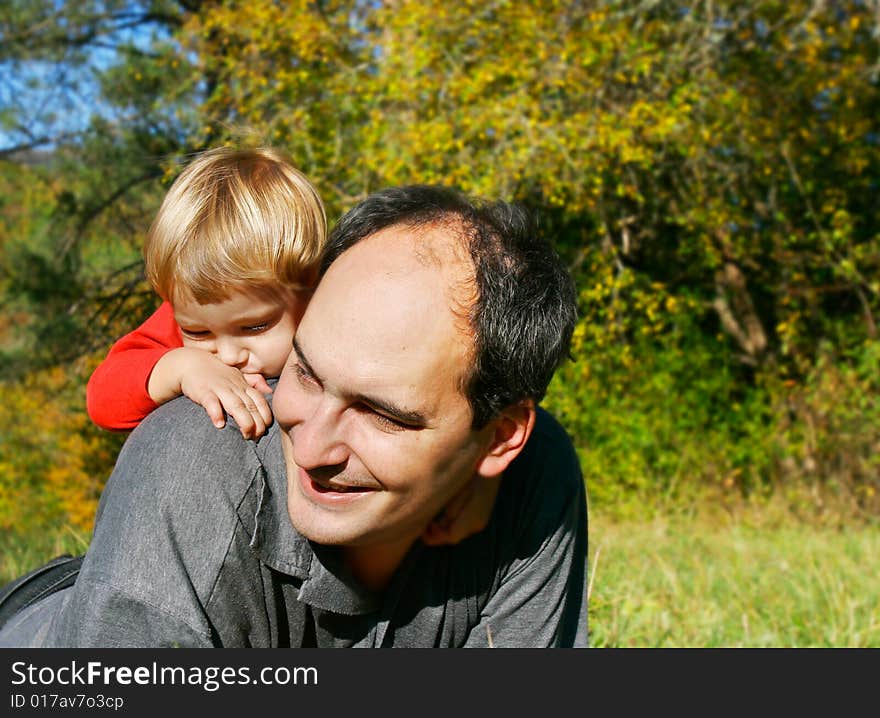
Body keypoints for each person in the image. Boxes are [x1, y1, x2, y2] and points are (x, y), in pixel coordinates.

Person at [0, 185, 587, 647]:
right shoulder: (198, 446)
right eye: (304, 373)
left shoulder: (533, 478)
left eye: (382, 415)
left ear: (500, 438)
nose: (310, 452)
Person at [86, 145, 326, 440]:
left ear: (311, 290)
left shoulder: (337, 312)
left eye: (254, 326)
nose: (226, 355)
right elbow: (102, 398)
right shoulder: (190, 316)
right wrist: (182, 367)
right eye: (198, 333)